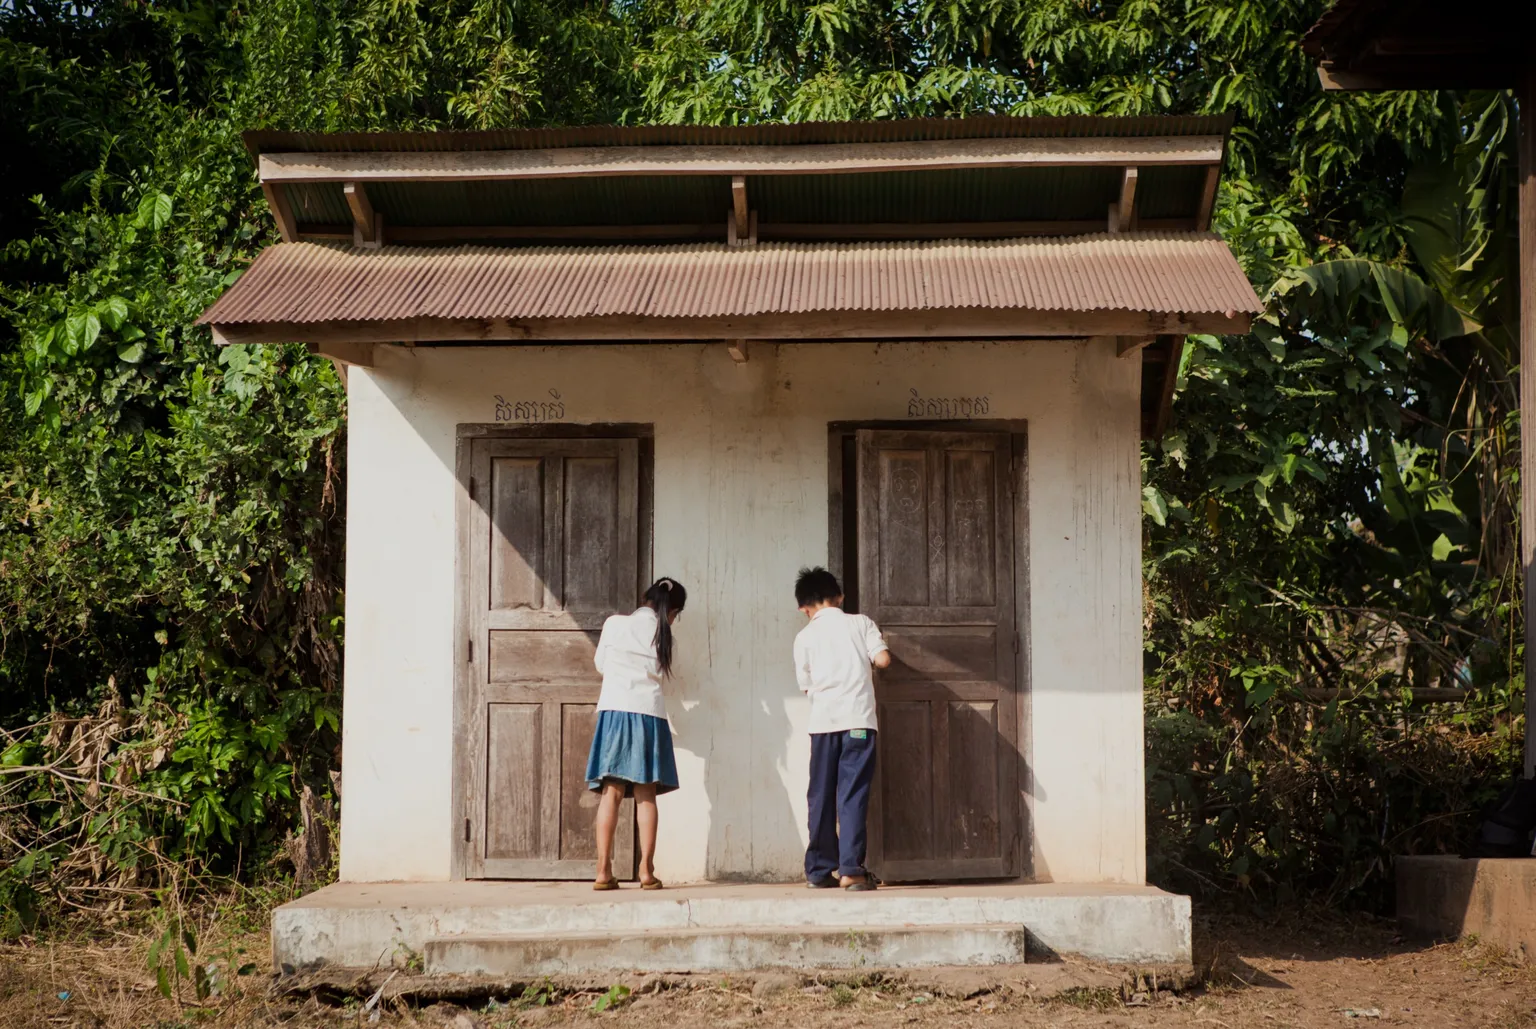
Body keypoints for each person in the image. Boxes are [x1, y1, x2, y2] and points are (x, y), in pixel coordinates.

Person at [792, 566, 891, 891]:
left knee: (820, 794)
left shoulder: (804, 637)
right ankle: (850, 870)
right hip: (858, 723)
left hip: (822, 725)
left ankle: (819, 871)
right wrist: (876, 656)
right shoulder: (860, 622)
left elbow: (806, 686)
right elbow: (883, 660)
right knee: (851, 794)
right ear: (840, 597)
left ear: (804, 608)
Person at [586, 577, 686, 890]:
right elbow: (661, 674)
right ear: (672, 611)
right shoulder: (665, 634)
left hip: (615, 712)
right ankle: (646, 871)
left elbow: (601, 664)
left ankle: (603, 871)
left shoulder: (614, 624)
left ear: (646, 598)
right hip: (649, 715)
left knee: (611, 793)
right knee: (646, 795)